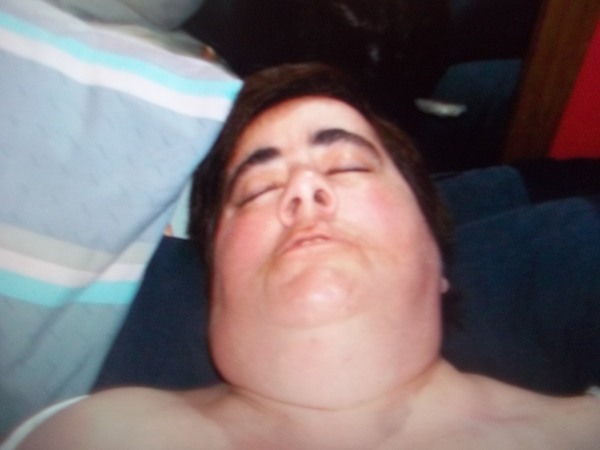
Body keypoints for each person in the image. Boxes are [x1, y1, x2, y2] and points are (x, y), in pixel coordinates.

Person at [5, 63, 600, 449]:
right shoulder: (87, 436)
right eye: (257, 190)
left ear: (439, 261)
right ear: (214, 289)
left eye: (348, 166)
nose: (304, 189)